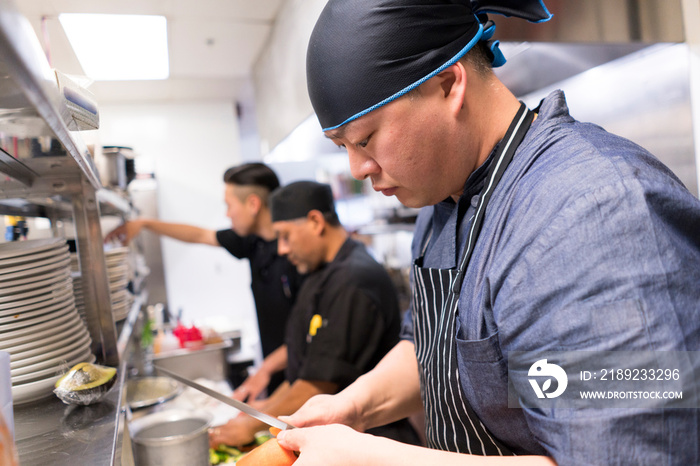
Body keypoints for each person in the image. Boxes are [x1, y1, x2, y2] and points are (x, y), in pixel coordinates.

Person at [272, 1, 700, 465]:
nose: (359, 168)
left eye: (366, 138)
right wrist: (352, 407)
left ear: (449, 84)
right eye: (342, 148)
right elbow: (435, 347)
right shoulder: (441, 203)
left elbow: (626, 457)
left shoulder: (595, 210)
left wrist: (375, 459)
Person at [208, 181, 420, 448]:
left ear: (315, 222)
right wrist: (265, 407)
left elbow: (318, 384)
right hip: (332, 440)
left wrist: (253, 423)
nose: (282, 249)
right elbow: (304, 369)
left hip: (370, 442)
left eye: (285, 236)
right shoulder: (320, 272)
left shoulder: (353, 280)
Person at [105, 163, 303, 397]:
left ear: (253, 204)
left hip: (304, 380)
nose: (226, 214)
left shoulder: (298, 255)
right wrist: (145, 224)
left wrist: (266, 369)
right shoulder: (253, 242)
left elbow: (309, 334)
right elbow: (200, 234)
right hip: (277, 377)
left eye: (229, 205)